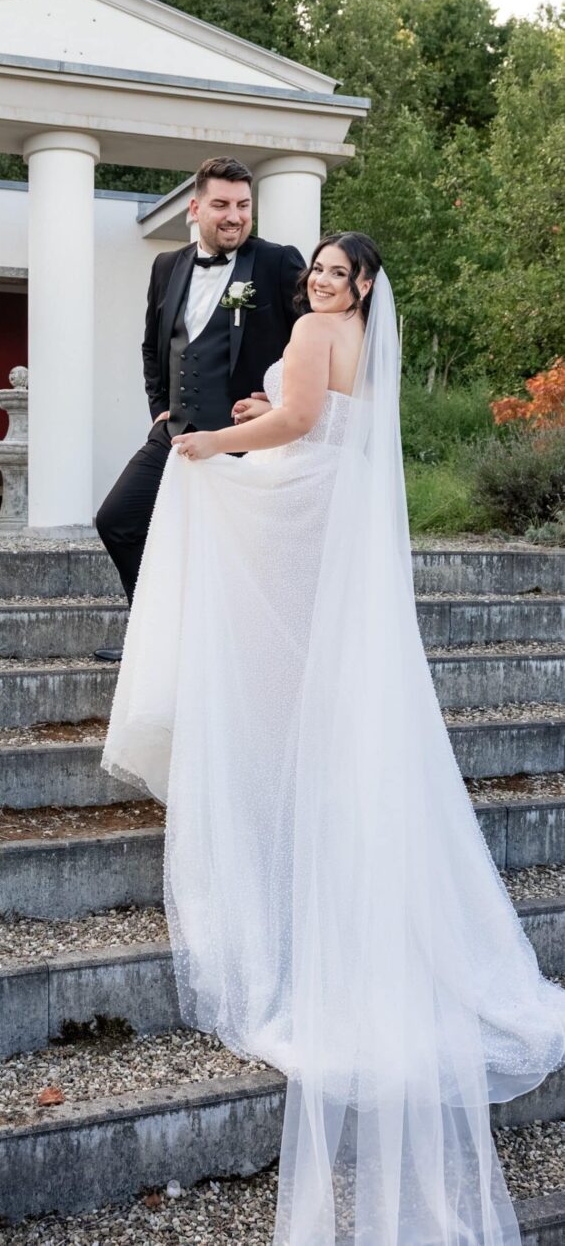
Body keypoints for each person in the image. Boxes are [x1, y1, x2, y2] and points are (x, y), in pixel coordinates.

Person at [102, 232, 565, 1245]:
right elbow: (328, 422)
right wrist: (271, 416)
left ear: (358, 289)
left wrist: (212, 443)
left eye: (334, 273)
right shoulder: (355, 335)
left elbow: (304, 416)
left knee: (219, 547)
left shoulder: (315, 329)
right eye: (313, 268)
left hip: (305, 502)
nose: (317, 282)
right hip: (338, 505)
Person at [93, 156, 305, 659]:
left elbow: (316, 337)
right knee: (117, 521)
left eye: (243, 205)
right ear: (195, 207)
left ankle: (230, 651)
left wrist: (280, 398)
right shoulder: (167, 266)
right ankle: (154, 638)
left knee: (239, 554)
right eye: (221, 205)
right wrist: (159, 407)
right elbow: (153, 345)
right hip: (176, 433)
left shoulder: (278, 262)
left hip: (243, 444)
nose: (234, 216)